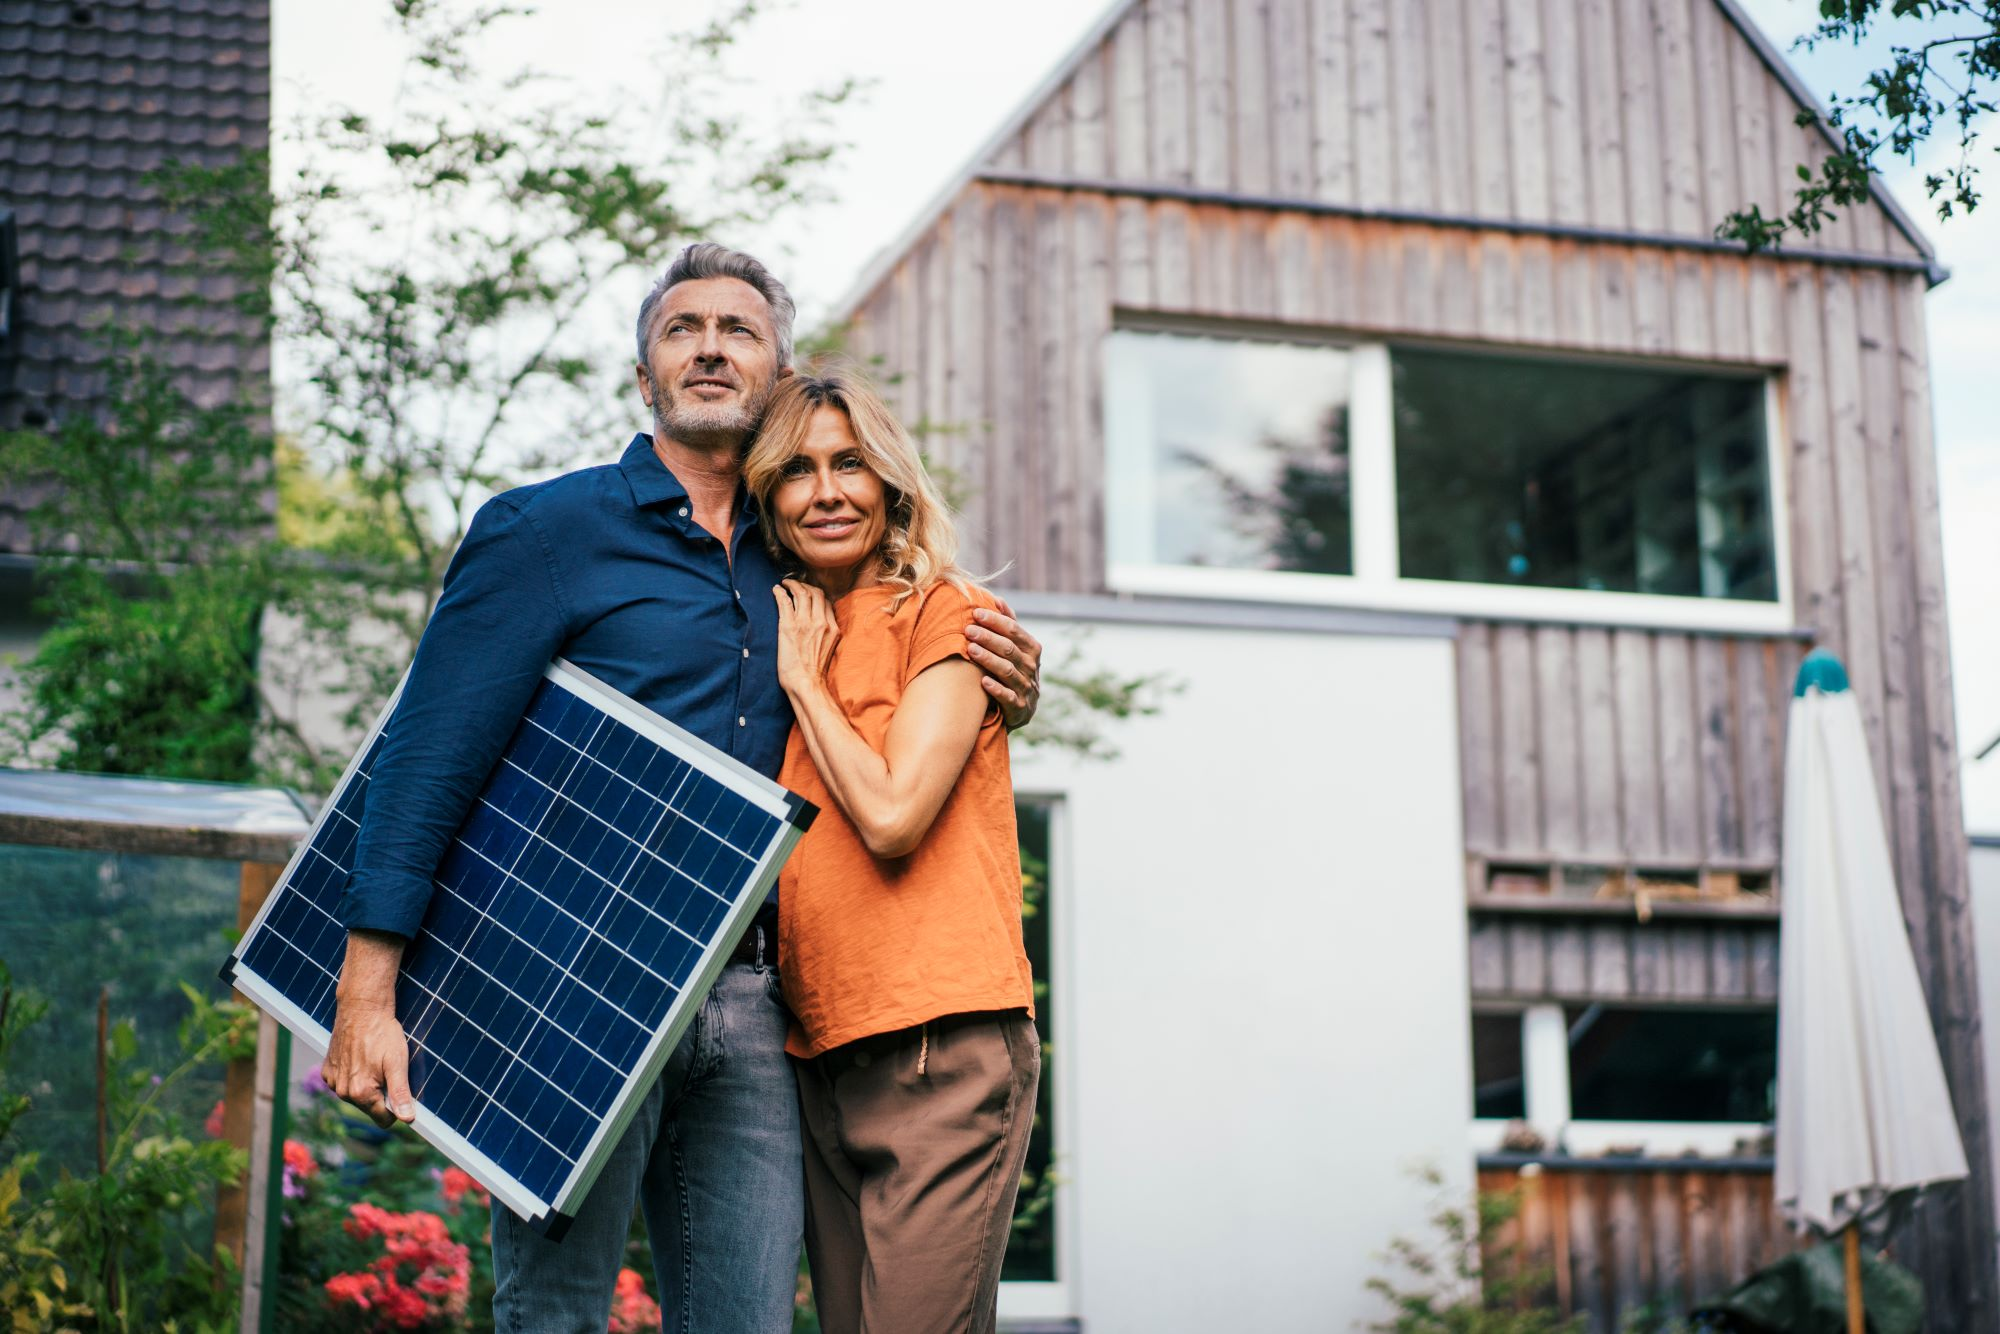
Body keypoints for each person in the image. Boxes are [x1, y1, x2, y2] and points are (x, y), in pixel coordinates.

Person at [318, 243, 1044, 1334]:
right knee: (555, 1310)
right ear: (643, 371)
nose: (709, 345)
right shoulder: (545, 532)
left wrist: (1011, 691)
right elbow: (427, 755)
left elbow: (906, 684)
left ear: (775, 373)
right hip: (574, 983)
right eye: (682, 327)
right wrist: (366, 993)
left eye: (738, 329)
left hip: (759, 1006)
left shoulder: (806, 552)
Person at [743, 371, 1039, 1334]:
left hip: (941, 1048)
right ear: (770, 503)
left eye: (850, 464)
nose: (826, 491)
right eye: (797, 471)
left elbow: (896, 815)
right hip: (821, 1055)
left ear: (892, 485)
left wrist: (807, 685)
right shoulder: (776, 634)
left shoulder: (945, 614)